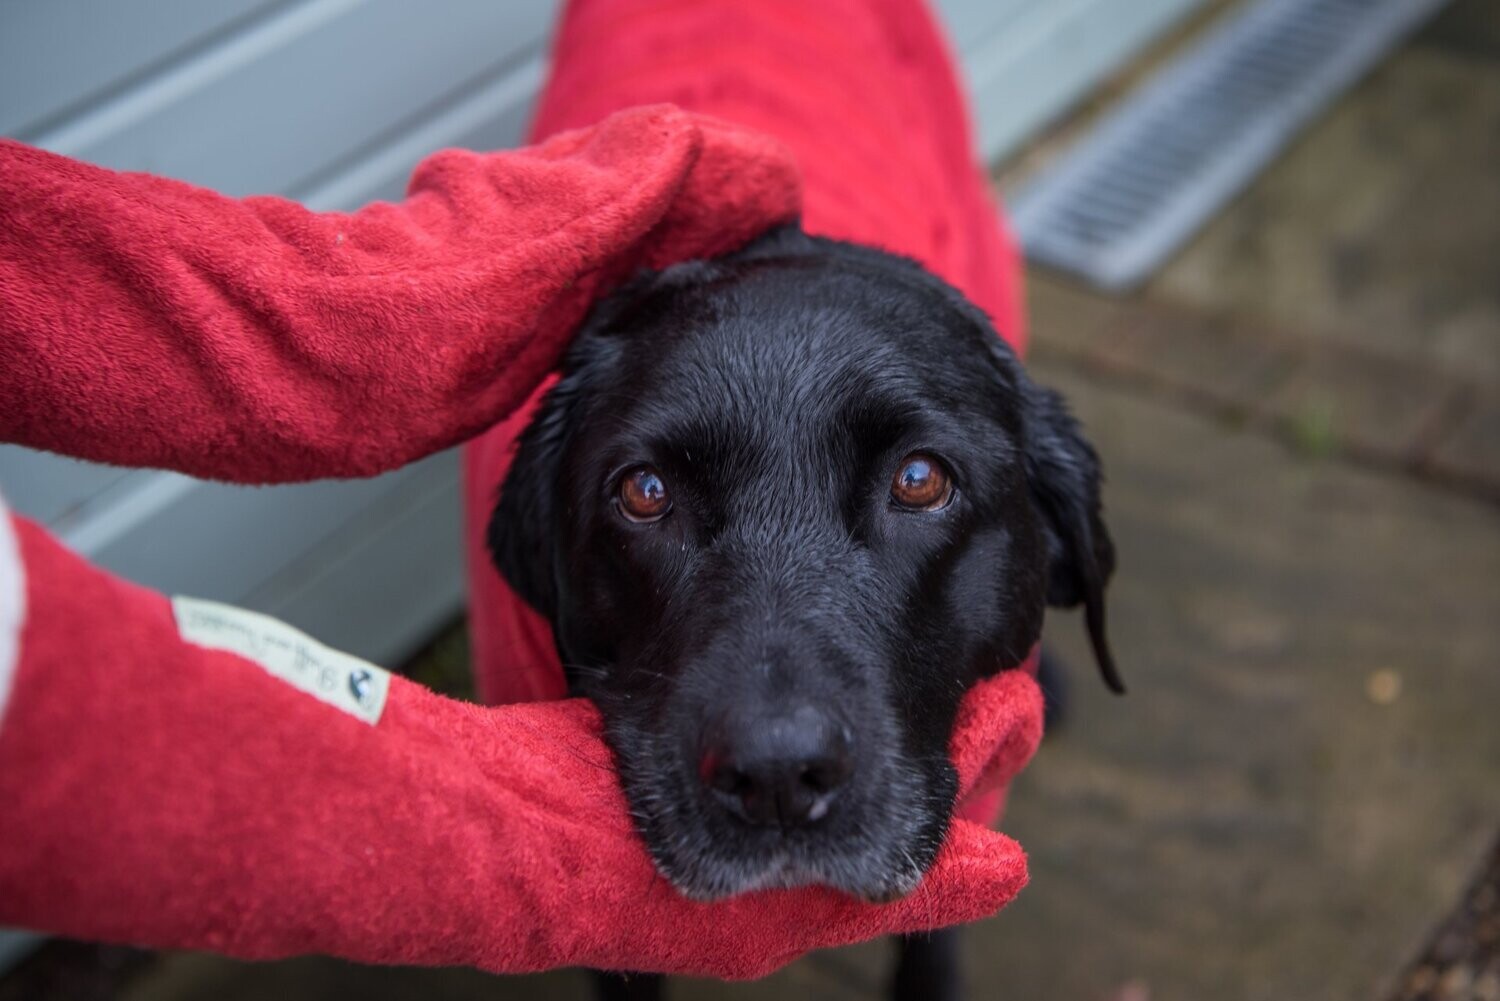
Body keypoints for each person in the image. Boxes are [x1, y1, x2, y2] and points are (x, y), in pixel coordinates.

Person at [0, 104, 1041, 980]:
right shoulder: (545, 515)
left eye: (917, 480)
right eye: (644, 497)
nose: (779, 741)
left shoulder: (967, 392)